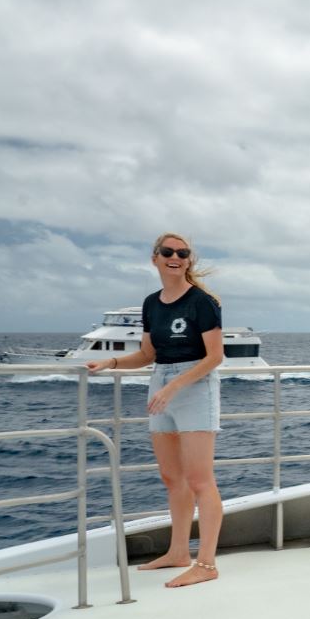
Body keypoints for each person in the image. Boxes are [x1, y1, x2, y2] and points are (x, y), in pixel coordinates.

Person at [86, 232, 225, 588]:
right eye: (168, 252)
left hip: (194, 386)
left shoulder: (202, 302)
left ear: (189, 260)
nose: (175, 256)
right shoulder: (152, 303)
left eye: (183, 252)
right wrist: (111, 362)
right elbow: (147, 355)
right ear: (155, 258)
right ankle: (178, 552)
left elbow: (215, 356)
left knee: (199, 480)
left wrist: (175, 386)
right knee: (171, 477)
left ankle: (206, 564)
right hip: (160, 382)